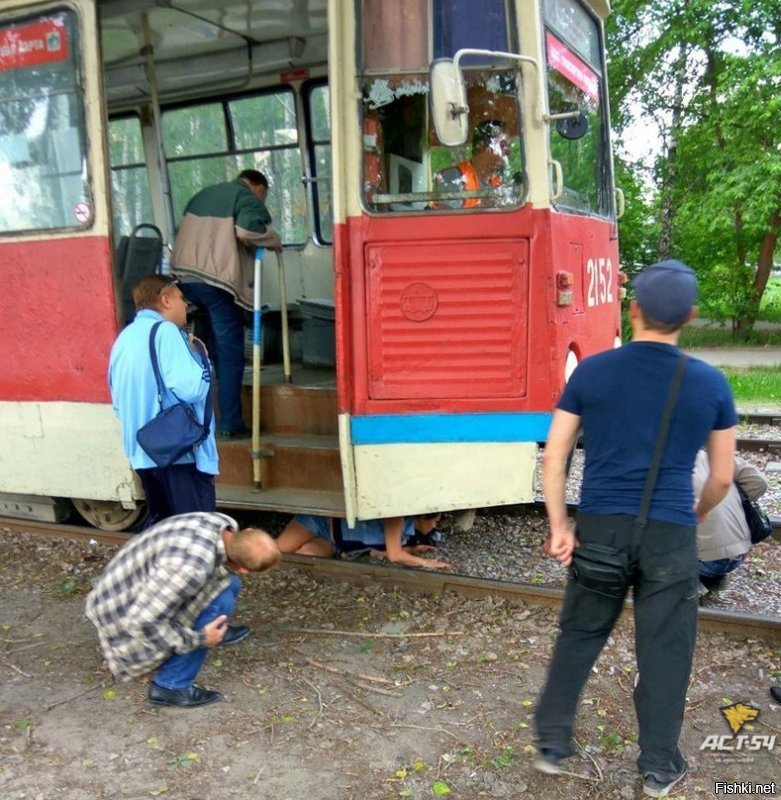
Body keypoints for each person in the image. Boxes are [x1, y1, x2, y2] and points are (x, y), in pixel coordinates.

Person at [533, 260, 737, 797]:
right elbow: (720, 477)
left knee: (580, 632)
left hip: (600, 528)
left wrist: (560, 524)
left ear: (634, 308)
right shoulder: (711, 384)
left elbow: (555, 457)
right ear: (690, 316)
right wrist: (694, 514)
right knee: (665, 650)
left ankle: (553, 742)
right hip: (671, 534)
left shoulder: (592, 373)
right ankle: (659, 767)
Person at [85, 512, 281, 708]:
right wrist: (201, 639)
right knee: (221, 603)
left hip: (131, 583)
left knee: (229, 584)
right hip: (120, 610)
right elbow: (141, 623)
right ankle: (170, 686)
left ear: (248, 531)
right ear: (245, 569)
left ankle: (215, 632)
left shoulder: (220, 523)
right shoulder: (191, 569)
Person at [172, 169, 283, 439]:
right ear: (258, 188)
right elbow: (248, 230)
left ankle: (199, 420)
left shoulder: (202, 195)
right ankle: (230, 423)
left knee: (205, 354)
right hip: (216, 283)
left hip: (184, 280)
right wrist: (274, 240)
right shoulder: (246, 198)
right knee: (230, 353)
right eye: (264, 196)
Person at [109, 274, 218, 527]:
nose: (185, 306)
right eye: (181, 299)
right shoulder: (167, 333)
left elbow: (117, 403)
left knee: (164, 529)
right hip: (180, 453)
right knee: (195, 532)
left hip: (145, 452)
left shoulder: (124, 339)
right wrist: (201, 356)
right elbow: (193, 390)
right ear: (166, 300)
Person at [693, 450, 769, 593]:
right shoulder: (711, 454)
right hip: (740, 552)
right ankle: (711, 576)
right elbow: (760, 482)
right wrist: (729, 502)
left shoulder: (656, 467)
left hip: (707, 558)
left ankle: (693, 584)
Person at [277, 513, 451, 570]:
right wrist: (426, 563)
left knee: (301, 559)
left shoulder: (407, 533)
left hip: (333, 542)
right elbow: (394, 556)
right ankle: (250, 536)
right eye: (434, 520)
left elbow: (376, 551)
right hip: (319, 522)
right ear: (422, 517)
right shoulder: (397, 519)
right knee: (275, 552)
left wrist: (411, 550)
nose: (435, 525)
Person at [434, 119, 510, 208]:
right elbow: (446, 220)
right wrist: (483, 208)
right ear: (482, 147)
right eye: (502, 145)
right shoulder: (454, 177)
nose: (508, 152)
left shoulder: (497, 183)